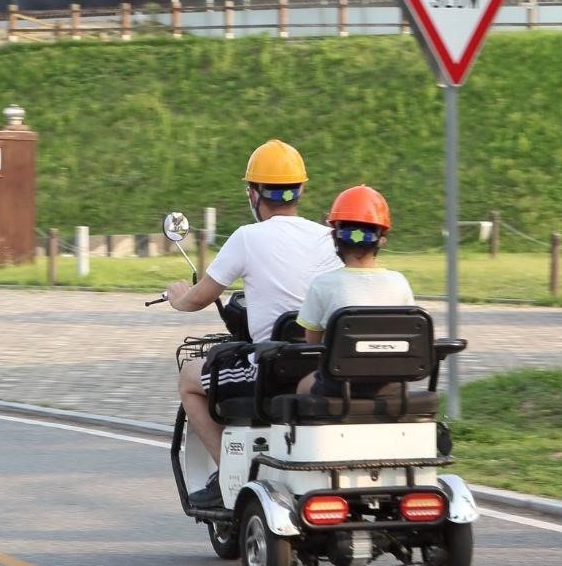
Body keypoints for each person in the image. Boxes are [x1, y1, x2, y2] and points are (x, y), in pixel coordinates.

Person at [162, 140, 340, 505]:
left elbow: (200, 297)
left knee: (189, 378)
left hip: (271, 370)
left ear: (253, 193)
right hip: (320, 363)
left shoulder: (247, 237)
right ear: (301, 189)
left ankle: (229, 474)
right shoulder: (326, 237)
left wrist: (179, 296)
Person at [295, 186, 416, 391]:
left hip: (339, 385)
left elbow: (312, 343)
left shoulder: (322, 285)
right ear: (382, 239)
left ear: (335, 238)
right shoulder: (399, 282)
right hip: (391, 385)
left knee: (302, 386)